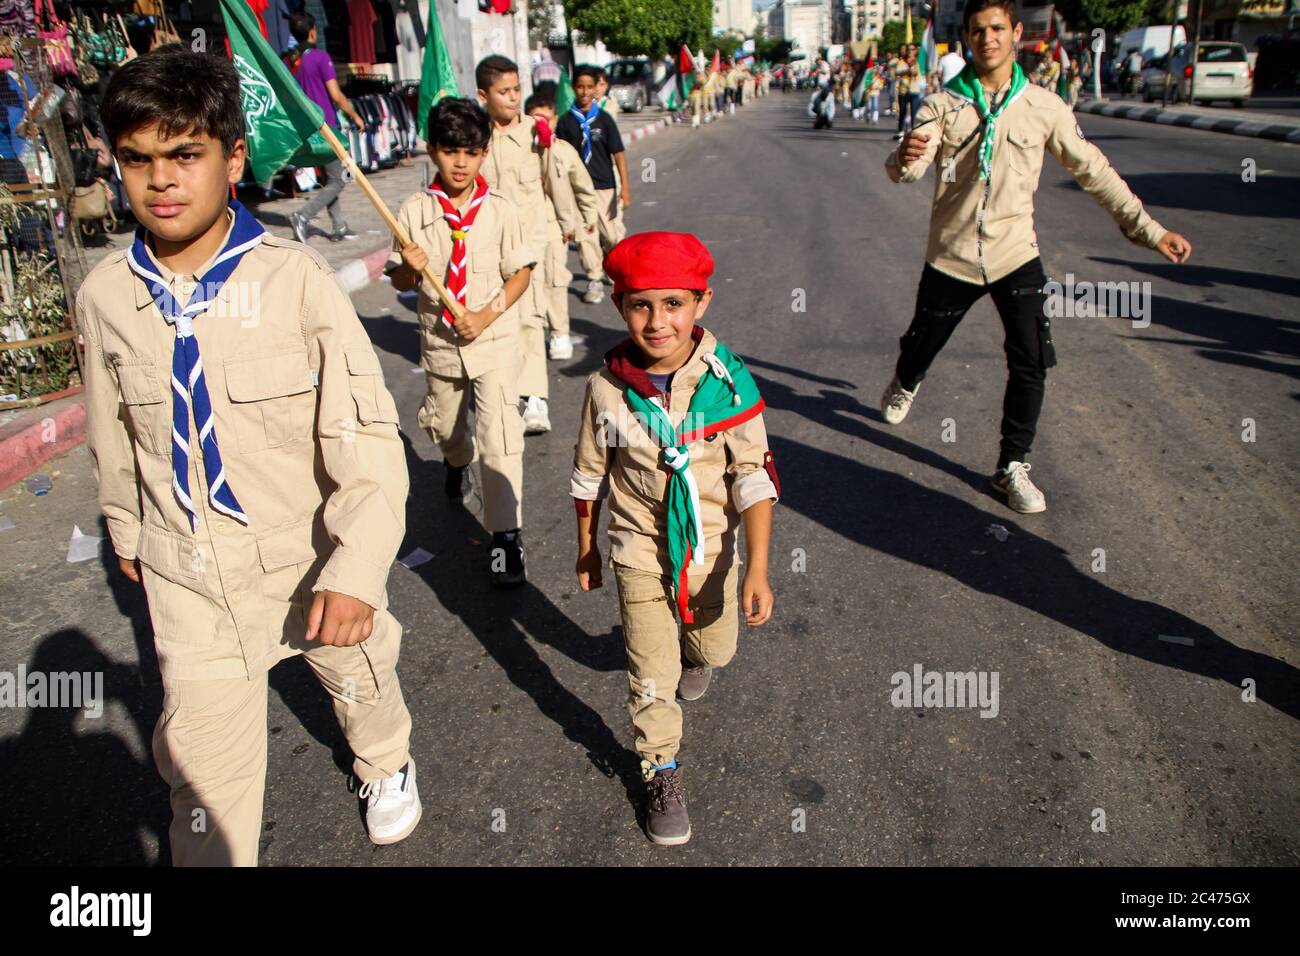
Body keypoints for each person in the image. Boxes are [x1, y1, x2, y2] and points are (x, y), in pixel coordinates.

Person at [81, 45, 419, 865]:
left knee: (358, 679)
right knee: (200, 776)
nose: (161, 180)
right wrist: (129, 529)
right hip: (187, 573)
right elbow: (112, 432)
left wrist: (355, 569)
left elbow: (366, 443)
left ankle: (384, 763)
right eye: (138, 160)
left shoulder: (295, 283)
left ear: (233, 158)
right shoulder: (105, 298)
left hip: (304, 551)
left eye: (185, 156)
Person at [881, 0, 1193, 514]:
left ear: (1017, 33)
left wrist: (1148, 230)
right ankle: (906, 379)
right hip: (952, 255)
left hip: (1015, 254)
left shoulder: (1045, 107)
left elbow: (1094, 170)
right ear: (967, 40)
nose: (988, 39)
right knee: (920, 345)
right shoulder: (943, 104)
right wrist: (906, 156)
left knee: (1031, 359)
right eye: (978, 31)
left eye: (997, 29)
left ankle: (1012, 466)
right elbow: (909, 169)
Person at [570, 232, 778, 847]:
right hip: (636, 546)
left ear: (702, 303)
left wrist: (759, 569)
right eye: (640, 305)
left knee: (715, 650)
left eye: (673, 304)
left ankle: (695, 649)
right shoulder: (607, 389)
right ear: (618, 306)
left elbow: (753, 477)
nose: (658, 321)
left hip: (711, 551)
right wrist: (585, 545)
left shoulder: (730, 384)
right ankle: (660, 767)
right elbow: (589, 474)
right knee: (651, 676)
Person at [387, 96, 537, 586]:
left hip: (492, 341)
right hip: (441, 345)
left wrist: (485, 313)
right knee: (446, 427)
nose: (460, 162)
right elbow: (402, 285)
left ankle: (505, 541)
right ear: (432, 149)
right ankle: (456, 461)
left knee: (501, 438)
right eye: (450, 150)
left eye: (470, 152)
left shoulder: (499, 211)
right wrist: (409, 266)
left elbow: (521, 275)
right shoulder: (412, 212)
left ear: (484, 153)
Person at [475, 54, 562, 434]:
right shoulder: (474, 138)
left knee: (529, 318)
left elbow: (553, 180)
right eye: (503, 92)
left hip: (528, 244)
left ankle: (535, 398)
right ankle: (500, 395)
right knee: (493, 321)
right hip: (485, 246)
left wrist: (570, 223)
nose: (513, 98)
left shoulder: (536, 133)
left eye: (516, 90)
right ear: (483, 94)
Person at [525, 88, 600, 362]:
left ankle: (559, 332)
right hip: (520, 229)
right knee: (526, 285)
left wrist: (589, 216)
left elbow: (582, 185)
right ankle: (531, 334)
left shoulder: (563, 150)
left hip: (553, 228)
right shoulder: (520, 151)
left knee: (554, 282)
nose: (541, 124)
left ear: (555, 119)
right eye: (535, 119)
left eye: (546, 118)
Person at [285, 12, 364, 243]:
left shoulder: (291, 61)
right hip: (327, 128)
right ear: (312, 31)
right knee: (339, 180)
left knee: (332, 178)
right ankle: (302, 216)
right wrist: (356, 116)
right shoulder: (320, 57)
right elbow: (336, 95)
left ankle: (339, 225)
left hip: (307, 129)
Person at [556, 64, 629, 306]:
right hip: (577, 191)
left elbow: (618, 155)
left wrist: (625, 190)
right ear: (573, 88)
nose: (585, 92)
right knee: (586, 237)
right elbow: (560, 157)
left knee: (611, 236)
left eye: (589, 87)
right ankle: (594, 279)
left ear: (595, 88)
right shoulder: (566, 121)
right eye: (580, 87)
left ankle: (611, 265)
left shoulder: (604, 120)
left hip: (604, 187)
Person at [894, 46, 921, 140]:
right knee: (902, 111)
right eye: (909, 49)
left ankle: (914, 130)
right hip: (903, 90)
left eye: (912, 49)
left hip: (914, 90)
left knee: (914, 112)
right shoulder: (901, 61)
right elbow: (896, 72)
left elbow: (920, 72)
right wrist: (906, 71)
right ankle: (901, 130)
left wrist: (915, 72)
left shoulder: (917, 61)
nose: (910, 51)